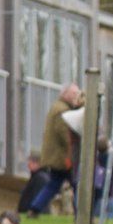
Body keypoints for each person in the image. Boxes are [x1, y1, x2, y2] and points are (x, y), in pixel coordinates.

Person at [27, 82, 83, 213]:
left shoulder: (57, 107)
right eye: (74, 94)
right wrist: (71, 153)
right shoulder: (62, 110)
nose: (76, 97)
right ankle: (81, 214)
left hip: (59, 157)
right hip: (62, 158)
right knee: (76, 184)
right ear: (65, 94)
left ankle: (35, 208)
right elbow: (64, 133)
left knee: (54, 184)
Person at [18, 152, 51, 218]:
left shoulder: (40, 178)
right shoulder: (36, 176)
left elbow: (39, 197)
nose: (28, 165)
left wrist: (33, 211)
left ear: (38, 164)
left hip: (35, 214)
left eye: (31, 162)